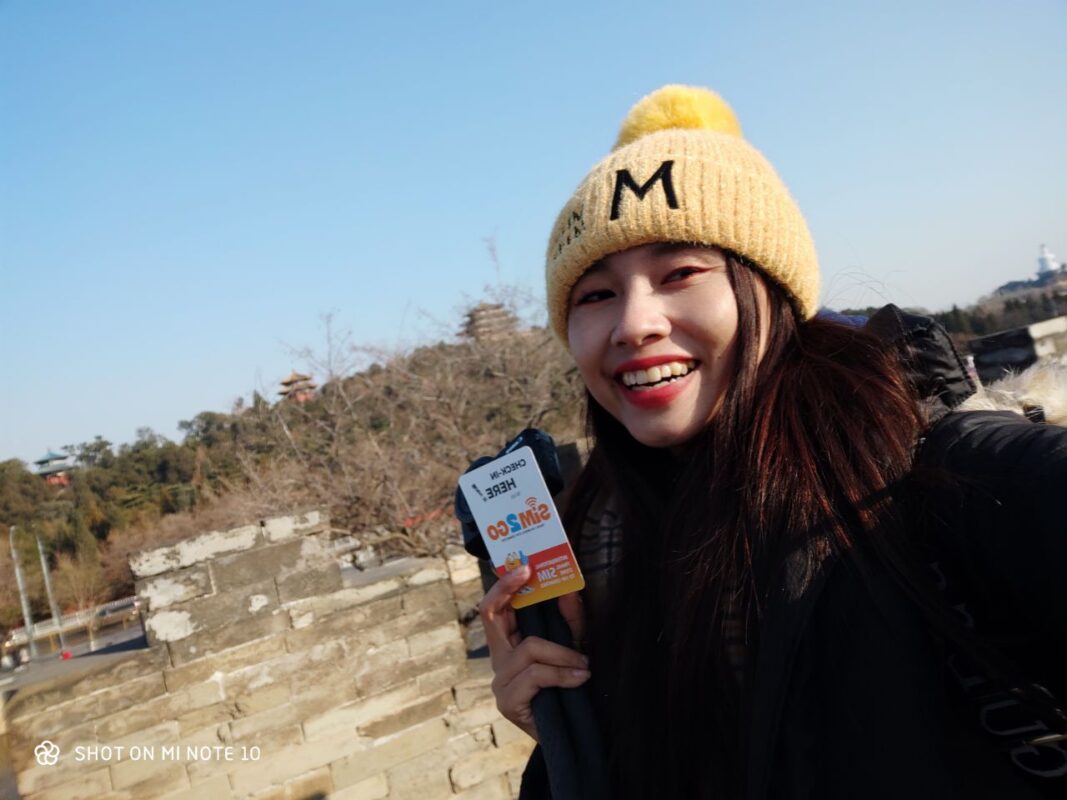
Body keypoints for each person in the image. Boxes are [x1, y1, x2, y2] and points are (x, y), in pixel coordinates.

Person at [477, 85, 1067, 799]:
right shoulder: (598, 541)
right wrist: (571, 732)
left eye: (680, 273)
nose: (634, 324)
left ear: (772, 289)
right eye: (595, 295)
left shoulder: (936, 471)